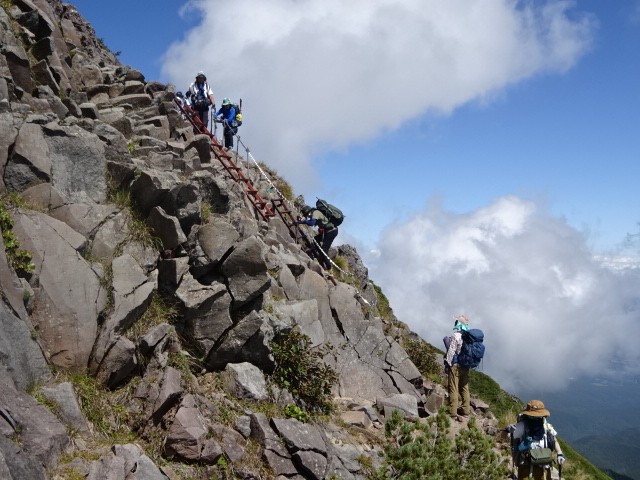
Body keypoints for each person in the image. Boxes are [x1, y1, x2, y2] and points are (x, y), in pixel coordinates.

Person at [508, 400, 566, 479]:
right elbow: (507, 437)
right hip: (526, 466)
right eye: (533, 416)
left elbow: (554, 440)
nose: (535, 418)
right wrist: (508, 430)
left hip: (544, 466)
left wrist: (559, 453)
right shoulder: (521, 426)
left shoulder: (546, 427)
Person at [444, 314, 471, 421]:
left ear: (458, 324)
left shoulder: (456, 336)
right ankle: (466, 411)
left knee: (453, 388)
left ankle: (452, 412)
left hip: (456, 366)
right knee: (465, 388)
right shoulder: (469, 337)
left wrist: (448, 363)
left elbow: (451, 351)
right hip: (466, 366)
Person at [296, 204, 339, 271]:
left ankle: (328, 267)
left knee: (324, 249)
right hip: (328, 231)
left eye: (307, 214)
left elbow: (311, 223)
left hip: (331, 232)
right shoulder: (315, 213)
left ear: (309, 211)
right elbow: (312, 222)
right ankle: (318, 255)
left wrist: (303, 221)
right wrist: (302, 221)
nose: (308, 216)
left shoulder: (315, 213)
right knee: (316, 240)